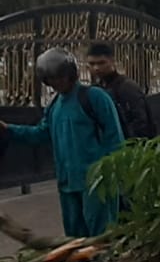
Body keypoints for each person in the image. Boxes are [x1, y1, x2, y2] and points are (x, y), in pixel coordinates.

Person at [0, 48, 125, 237]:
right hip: (68, 182)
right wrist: (9, 130)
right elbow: (42, 133)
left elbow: (115, 138)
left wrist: (113, 174)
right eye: (51, 79)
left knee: (102, 236)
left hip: (96, 182)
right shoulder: (54, 104)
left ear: (70, 74)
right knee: (74, 236)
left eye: (60, 77)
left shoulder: (94, 97)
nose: (56, 82)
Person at [85, 41, 156, 139]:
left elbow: (141, 123)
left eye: (101, 63)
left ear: (112, 61)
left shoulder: (127, 87)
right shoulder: (96, 89)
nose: (96, 68)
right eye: (92, 64)